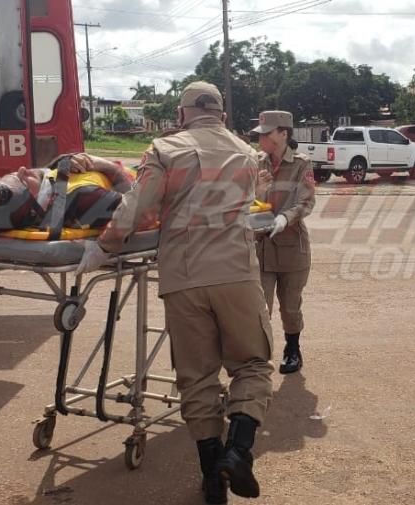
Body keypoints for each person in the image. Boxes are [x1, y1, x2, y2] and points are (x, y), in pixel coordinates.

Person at [77, 81, 274, 504]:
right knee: (253, 365)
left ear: (183, 114)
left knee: (197, 378)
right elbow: (253, 199)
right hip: (236, 274)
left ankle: (212, 481)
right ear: (221, 114)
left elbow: (138, 207)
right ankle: (237, 451)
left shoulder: (166, 150)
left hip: (183, 276)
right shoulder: (248, 153)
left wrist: (104, 246)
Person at [253, 111, 315, 375]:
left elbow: (306, 201)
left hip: (292, 248)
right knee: (258, 307)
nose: (261, 139)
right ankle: (257, 359)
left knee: (290, 306)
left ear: (283, 134)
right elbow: (243, 200)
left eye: (266, 133)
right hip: (262, 248)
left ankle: (292, 350)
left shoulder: (301, 164)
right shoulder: (256, 163)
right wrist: (257, 193)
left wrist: (284, 219)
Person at [0, 153, 135, 233]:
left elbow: (51, 172)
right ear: (33, 208)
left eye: (11, 174)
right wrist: (108, 167)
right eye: (22, 179)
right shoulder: (85, 198)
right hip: (144, 181)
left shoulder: (52, 193)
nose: (23, 169)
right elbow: (140, 207)